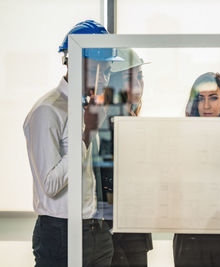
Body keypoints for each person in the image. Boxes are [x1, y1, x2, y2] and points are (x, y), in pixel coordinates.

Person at [23, 20, 120, 267]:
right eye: (99, 69)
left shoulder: (86, 107)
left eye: (108, 70)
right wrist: (87, 133)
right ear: (76, 62)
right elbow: (50, 184)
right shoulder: (48, 110)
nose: (104, 78)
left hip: (95, 229)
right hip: (60, 233)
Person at [173, 72, 220, 267]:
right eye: (201, 98)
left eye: (213, 97)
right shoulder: (181, 137)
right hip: (189, 234)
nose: (206, 106)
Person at [94, 48, 153, 267]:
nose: (140, 82)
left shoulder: (130, 120)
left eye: (141, 76)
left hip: (134, 229)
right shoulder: (107, 123)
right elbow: (104, 179)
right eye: (133, 76)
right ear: (117, 82)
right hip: (115, 231)